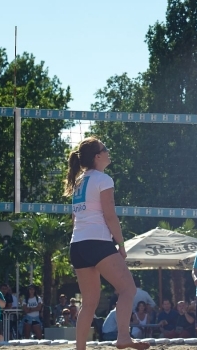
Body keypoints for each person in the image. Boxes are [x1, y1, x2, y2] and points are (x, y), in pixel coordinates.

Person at [64, 137, 148, 350]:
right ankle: (122, 337)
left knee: (89, 303)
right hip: (98, 242)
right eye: (105, 149)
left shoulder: (79, 181)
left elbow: (75, 219)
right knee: (128, 289)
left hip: (78, 245)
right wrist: (120, 244)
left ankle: (80, 348)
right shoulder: (104, 179)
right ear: (97, 156)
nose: (108, 152)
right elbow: (110, 216)